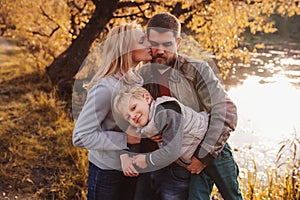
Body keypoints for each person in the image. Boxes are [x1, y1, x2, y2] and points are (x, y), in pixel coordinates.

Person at [136, 12, 243, 200]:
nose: (160, 50)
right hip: (165, 161)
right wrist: (145, 130)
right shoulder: (142, 74)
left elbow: (226, 111)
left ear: (177, 43)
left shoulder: (195, 70)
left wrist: (202, 158)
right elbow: (132, 111)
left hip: (203, 152)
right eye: (155, 44)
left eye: (167, 44)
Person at [72, 22, 152, 200]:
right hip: (106, 173)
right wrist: (124, 139)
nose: (149, 44)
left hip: (132, 169)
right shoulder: (105, 88)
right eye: (141, 41)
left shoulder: (136, 81)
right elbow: (80, 136)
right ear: (126, 49)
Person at [113, 86, 209, 173]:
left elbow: (172, 152)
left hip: (210, 149)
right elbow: (134, 139)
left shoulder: (165, 112)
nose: (133, 116)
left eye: (133, 108)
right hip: (194, 164)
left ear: (147, 98)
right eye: (128, 117)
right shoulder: (144, 123)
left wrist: (147, 160)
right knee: (197, 192)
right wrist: (129, 159)